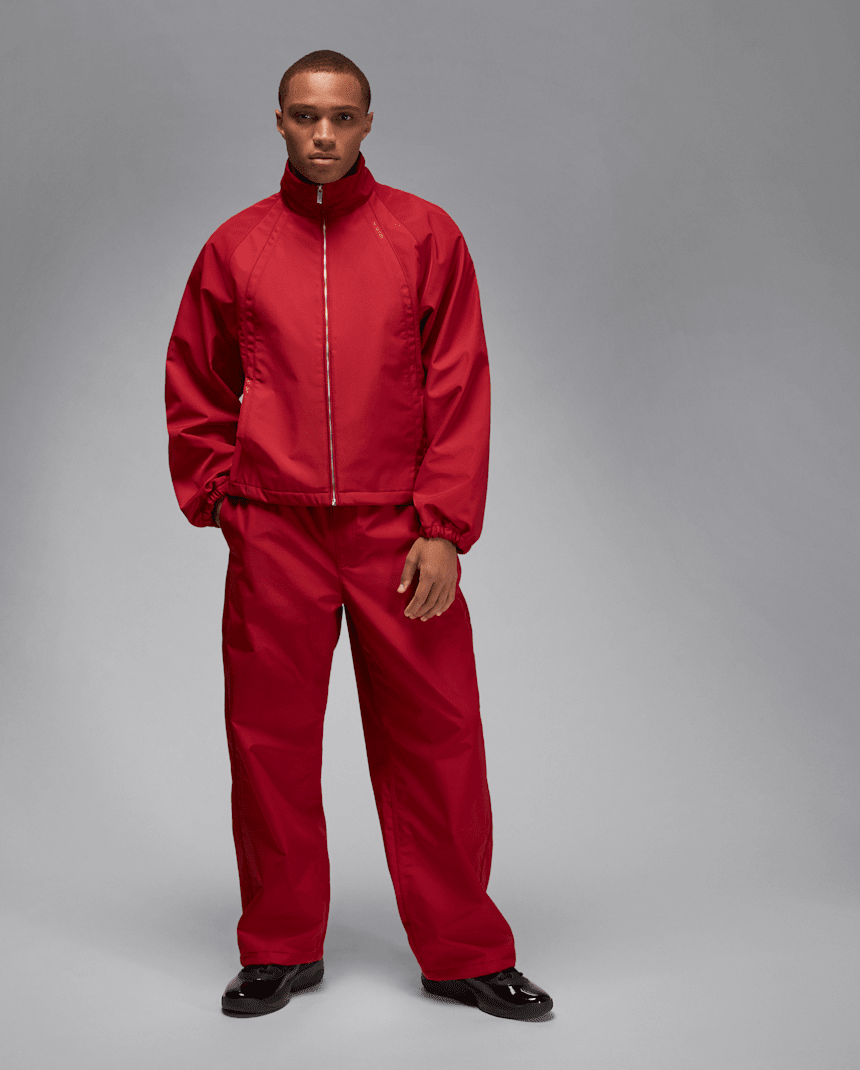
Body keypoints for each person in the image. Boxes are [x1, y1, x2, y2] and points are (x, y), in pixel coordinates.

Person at [165, 49, 553, 1022]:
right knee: (269, 744)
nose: (323, 134)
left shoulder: (423, 236)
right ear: (279, 123)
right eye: (305, 116)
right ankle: (279, 946)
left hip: (399, 534)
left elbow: (458, 382)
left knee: (438, 739)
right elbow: (196, 380)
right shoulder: (236, 248)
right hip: (277, 530)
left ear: (369, 123)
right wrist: (224, 500)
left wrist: (443, 526)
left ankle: (464, 951)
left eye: (341, 116)